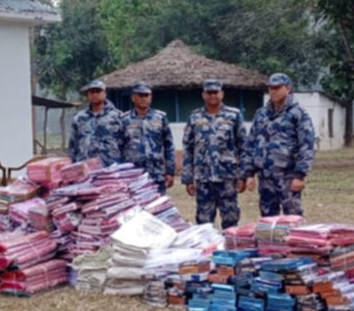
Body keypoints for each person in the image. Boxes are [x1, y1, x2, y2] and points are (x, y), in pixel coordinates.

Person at [243, 73, 315, 217]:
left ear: (288, 88)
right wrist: (249, 173)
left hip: (287, 176)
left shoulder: (298, 114)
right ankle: (271, 241)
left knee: (293, 218)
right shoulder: (261, 114)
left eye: (277, 87)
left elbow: (306, 145)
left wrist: (299, 175)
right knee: (268, 220)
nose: (273, 91)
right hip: (265, 176)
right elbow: (251, 143)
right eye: (270, 88)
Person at [181, 79, 247, 229]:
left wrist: (243, 175)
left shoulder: (234, 116)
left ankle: (230, 250)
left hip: (227, 177)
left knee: (231, 220)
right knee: (204, 223)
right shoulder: (195, 117)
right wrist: (188, 178)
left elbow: (244, 147)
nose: (212, 96)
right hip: (203, 179)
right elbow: (188, 148)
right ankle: (207, 250)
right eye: (209, 93)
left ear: (222, 94)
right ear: (203, 95)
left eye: (215, 92)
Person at [121, 81, 175, 193]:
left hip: (156, 175)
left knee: (159, 209)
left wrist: (170, 171)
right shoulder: (124, 119)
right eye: (140, 95)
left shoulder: (160, 118)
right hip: (132, 175)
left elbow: (169, 145)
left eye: (146, 95)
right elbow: (118, 146)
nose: (144, 98)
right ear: (133, 97)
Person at [67, 79, 124, 166]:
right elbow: (73, 146)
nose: (95, 94)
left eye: (98, 91)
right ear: (88, 95)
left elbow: (126, 144)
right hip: (84, 168)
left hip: (110, 169)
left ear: (105, 93)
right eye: (92, 92)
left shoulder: (118, 117)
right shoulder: (79, 118)